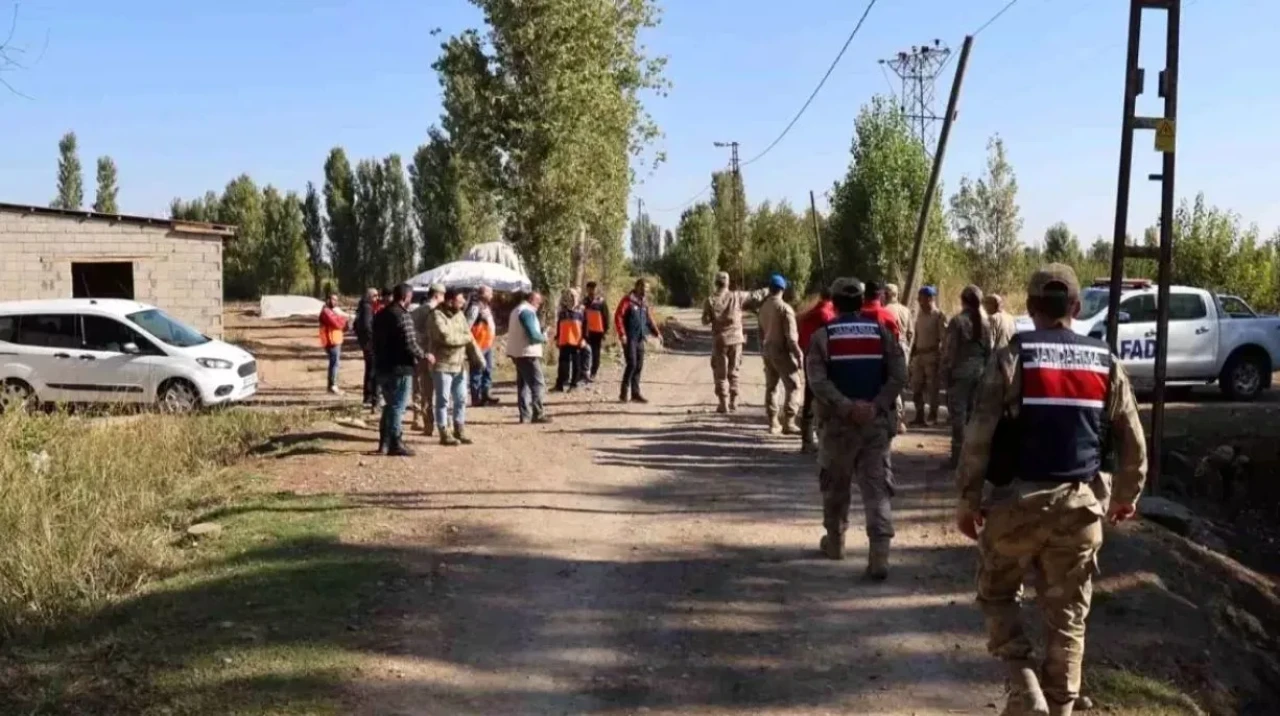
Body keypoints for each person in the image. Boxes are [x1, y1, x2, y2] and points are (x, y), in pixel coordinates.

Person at [956, 263, 1147, 716]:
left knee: (997, 595)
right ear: (1077, 308)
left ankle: (1024, 683)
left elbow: (978, 436)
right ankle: (1058, 708)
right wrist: (1126, 495)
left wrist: (967, 501)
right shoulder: (1105, 361)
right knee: (1068, 621)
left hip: (1014, 508)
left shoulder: (1011, 357)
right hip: (1079, 511)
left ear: (1030, 307)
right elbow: (1132, 438)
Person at [805, 277, 906, 580]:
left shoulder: (824, 337)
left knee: (835, 485)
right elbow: (899, 374)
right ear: (862, 302)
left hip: (837, 426)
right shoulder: (882, 333)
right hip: (875, 425)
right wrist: (876, 405)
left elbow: (817, 381)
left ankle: (836, 543)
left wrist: (847, 406)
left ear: (834, 302)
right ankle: (879, 558)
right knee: (877, 489)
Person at [702, 271, 769, 413]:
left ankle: (723, 403)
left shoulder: (710, 300)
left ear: (716, 282)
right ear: (728, 282)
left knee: (720, 373)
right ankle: (733, 401)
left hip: (720, 340)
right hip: (737, 340)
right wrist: (768, 289)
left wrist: (712, 317)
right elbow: (754, 296)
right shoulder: (737, 296)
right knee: (734, 371)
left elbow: (704, 321)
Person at [942, 285, 994, 469]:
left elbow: (950, 350)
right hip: (979, 374)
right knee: (973, 418)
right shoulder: (986, 323)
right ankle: (972, 460)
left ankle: (957, 459)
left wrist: (946, 371)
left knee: (958, 417)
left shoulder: (957, 322)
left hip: (960, 374)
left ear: (962, 300)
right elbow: (989, 351)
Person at [371, 283, 426, 457]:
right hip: (400, 368)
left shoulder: (379, 315)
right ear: (405, 297)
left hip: (382, 368)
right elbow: (410, 344)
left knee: (389, 406)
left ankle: (384, 443)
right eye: (410, 297)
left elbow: (374, 342)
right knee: (397, 406)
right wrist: (425, 355)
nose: (410, 301)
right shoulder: (404, 316)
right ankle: (396, 442)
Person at [428, 287, 483, 447]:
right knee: (443, 400)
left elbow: (469, 336)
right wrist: (464, 337)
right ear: (450, 300)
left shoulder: (459, 315)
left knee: (461, 399)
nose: (463, 303)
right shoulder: (436, 315)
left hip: (459, 365)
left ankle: (459, 429)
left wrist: (478, 358)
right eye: (460, 300)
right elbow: (446, 337)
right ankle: (444, 432)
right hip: (442, 365)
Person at [758, 274, 804, 435]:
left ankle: (773, 422)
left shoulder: (763, 308)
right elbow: (791, 338)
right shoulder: (785, 309)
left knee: (771, 386)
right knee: (794, 385)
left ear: (770, 289)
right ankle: (789, 421)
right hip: (781, 350)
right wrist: (798, 354)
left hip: (767, 350)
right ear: (783, 289)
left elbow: (760, 333)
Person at [797, 288, 837, 452]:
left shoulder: (808, 314)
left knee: (809, 398)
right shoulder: (828, 315)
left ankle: (806, 441)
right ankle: (825, 440)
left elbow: (801, 337)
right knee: (827, 400)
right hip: (825, 361)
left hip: (809, 358)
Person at [614, 278, 661, 404]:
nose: (645, 291)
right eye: (643, 288)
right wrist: (622, 334)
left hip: (640, 338)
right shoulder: (627, 300)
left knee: (639, 365)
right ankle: (623, 393)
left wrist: (657, 333)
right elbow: (618, 316)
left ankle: (635, 393)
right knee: (632, 364)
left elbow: (649, 320)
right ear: (637, 287)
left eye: (647, 289)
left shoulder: (644, 303)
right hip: (629, 338)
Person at [508, 291, 552, 424]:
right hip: (528, 353)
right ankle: (538, 413)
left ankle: (525, 415)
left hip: (517, 352)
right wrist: (544, 337)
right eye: (538, 302)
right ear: (532, 300)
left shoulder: (516, 310)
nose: (539, 305)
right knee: (538, 384)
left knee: (524, 385)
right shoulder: (527, 312)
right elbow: (532, 335)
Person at [910, 285, 948, 426]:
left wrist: (944, 358)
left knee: (933, 388)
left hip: (932, 356)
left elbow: (944, 339)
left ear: (930, 299)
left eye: (922, 298)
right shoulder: (919, 314)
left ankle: (933, 415)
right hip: (919, 356)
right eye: (919, 298)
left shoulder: (938, 316)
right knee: (916, 386)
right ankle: (919, 414)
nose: (920, 301)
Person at [411, 284, 445, 435]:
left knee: (420, 388)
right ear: (438, 295)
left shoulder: (416, 311)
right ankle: (431, 423)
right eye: (443, 296)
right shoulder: (435, 312)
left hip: (418, 354)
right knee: (432, 389)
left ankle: (420, 419)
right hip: (431, 355)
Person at [466, 285, 500, 407]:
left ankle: (486, 394)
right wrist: (471, 344)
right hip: (478, 345)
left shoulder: (486, 307)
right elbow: (467, 325)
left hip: (487, 343)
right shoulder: (475, 307)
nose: (492, 295)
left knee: (487, 370)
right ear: (483, 294)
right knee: (477, 371)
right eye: (490, 293)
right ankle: (476, 398)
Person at [553, 288, 588, 392]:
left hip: (577, 341)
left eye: (573, 295)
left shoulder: (581, 310)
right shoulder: (562, 311)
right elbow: (559, 325)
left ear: (577, 296)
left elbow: (586, 326)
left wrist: (584, 339)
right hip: (564, 340)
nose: (571, 297)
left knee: (577, 363)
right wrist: (557, 337)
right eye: (569, 295)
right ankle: (559, 384)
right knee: (563, 364)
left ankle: (574, 385)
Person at [318, 293, 348, 395]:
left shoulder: (331, 311)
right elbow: (337, 323)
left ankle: (331, 385)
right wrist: (344, 318)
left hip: (335, 339)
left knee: (334, 363)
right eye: (333, 299)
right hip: (331, 340)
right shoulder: (326, 312)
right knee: (334, 363)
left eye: (336, 300)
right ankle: (332, 386)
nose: (335, 302)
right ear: (327, 299)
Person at [355, 288, 379, 408]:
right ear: (370, 296)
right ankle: (369, 396)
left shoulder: (362, 307)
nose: (377, 298)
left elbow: (356, 325)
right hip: (369, 344)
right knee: (372, 370)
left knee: (369, 369)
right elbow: (366, 326)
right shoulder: (367, 308)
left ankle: (367, 396)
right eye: (375, 296)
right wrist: (372, 339)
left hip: (365, 343)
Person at [583, 282, 610, 382]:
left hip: (598, 332)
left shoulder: (601, 302)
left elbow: (606, 317)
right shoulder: (584, 302)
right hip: (587, 331)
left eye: (593, 289)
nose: (591, 291)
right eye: (590, 289)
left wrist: (605, 331)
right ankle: (585, 372)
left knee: (596, 352)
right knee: (585, 351)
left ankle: (593, 372)